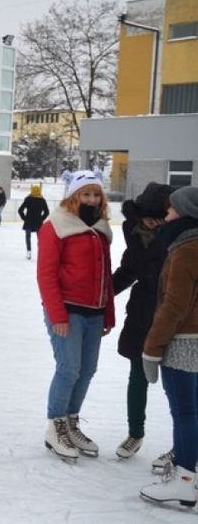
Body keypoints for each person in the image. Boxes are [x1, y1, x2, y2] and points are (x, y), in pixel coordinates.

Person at [36, 170, 115, 461]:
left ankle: (71, 421)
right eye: (86, 193)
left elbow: (104, 275)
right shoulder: (55, 225)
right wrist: (57, 314)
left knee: (87, 369)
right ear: (73, 196)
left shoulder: (101, 227)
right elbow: (46, 274)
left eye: (96, 194)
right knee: (68, 368)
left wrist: (107, 314)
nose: (92, 199)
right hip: (67, 310)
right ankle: (55, 426)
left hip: (94, 312)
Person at [139, 186, 198, 508]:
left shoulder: (186, 249)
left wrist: (152, 347)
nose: (167, 215)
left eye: (172, 210)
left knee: (185, 413)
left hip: (183, 344)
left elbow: (174, 306)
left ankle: (185, 481)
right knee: (194, 411)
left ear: (186, 213)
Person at [112, 182, 175, 462]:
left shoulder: (182, 238)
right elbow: (128, 271)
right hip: (141, 315)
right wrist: (102, 294)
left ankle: (184, 443)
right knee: (137, 376)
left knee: (179, 384)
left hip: (175, 317)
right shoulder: (137, 236)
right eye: (149, 219)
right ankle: (135, 433)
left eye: (159, 219)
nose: (153, 223)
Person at [17, 185, 50, 260]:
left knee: (28, 237)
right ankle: (41, 252)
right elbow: (47, 212)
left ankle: (29, 252)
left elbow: (20, 210)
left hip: (29, 222)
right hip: (38, 222)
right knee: (40, 238)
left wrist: (25, 218)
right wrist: (41, 219)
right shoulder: (42, 200)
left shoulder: (28, 199)